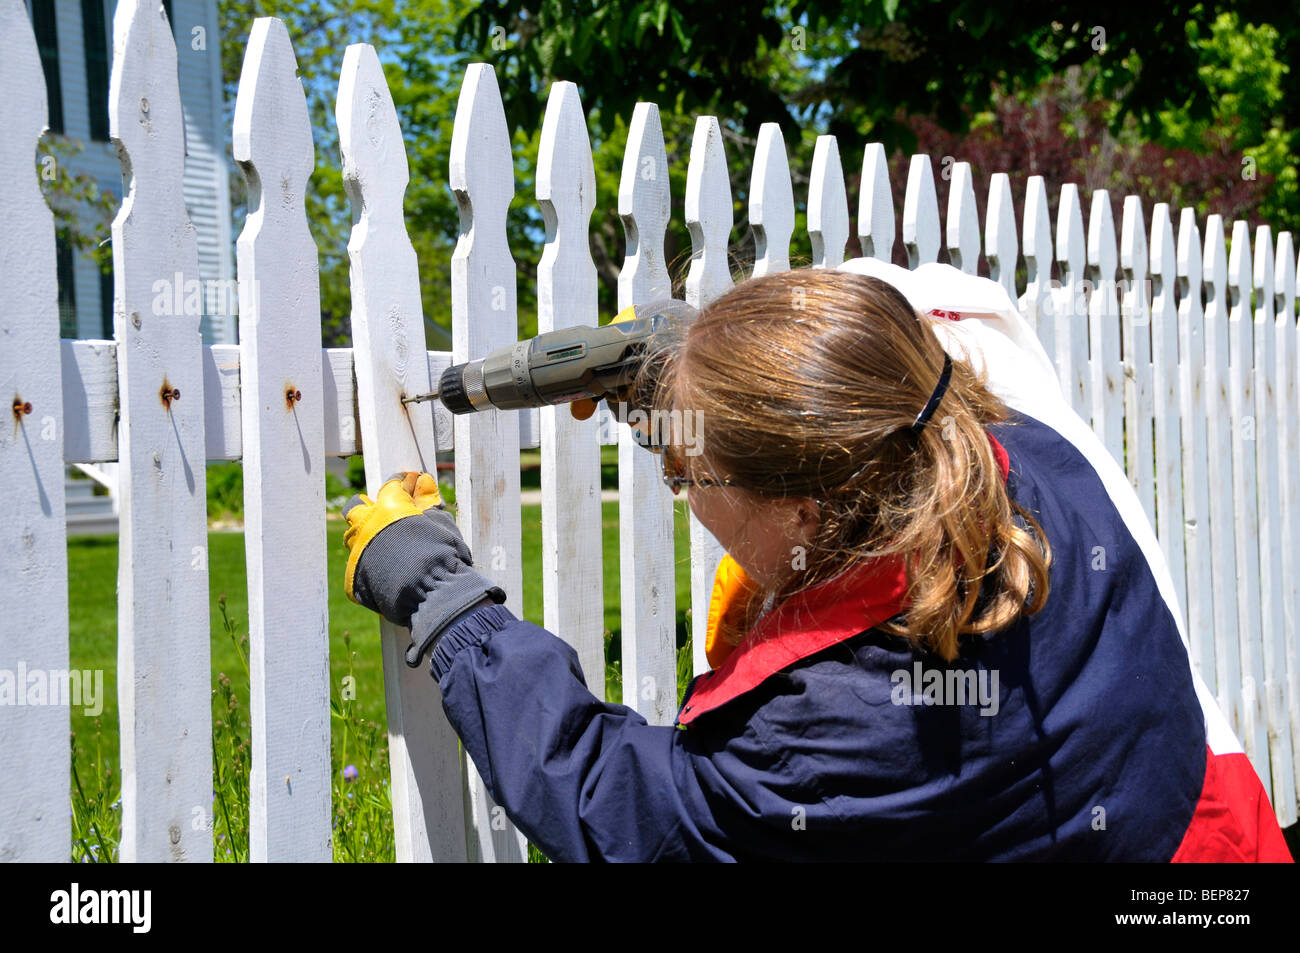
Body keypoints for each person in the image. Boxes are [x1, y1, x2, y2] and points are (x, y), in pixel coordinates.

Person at [341, 258, 1293, 862]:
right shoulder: (1011, 449)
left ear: (802, 507)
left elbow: (618, 805)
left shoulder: (832, 730)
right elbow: (878, 328)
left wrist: (448, 603)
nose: (677, 479)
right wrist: (710, 371)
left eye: (688, 475)